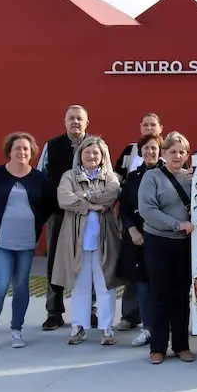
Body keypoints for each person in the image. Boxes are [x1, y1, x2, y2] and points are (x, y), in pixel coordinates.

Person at [0, 132, 54, 355]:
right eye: (18, 148)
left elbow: (48, 205)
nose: (22, 152)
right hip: (0, 241)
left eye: (26, 149)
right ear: (10, 151)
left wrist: (35, 223)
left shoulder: (38, 178)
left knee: (21, 285)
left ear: (32, 153)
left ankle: (16, 330)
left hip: (26, 241)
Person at [36, 105, 103, 331]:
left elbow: (106, 175)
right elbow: (41, 177)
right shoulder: (52, 146)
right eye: (71, 118)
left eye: (80, 119)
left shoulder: (96, 146)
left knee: (90, 260)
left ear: (87, 122)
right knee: (55, 261)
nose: (75, 122)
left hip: (89, 215)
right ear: (65, 122)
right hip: (59, 214)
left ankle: (90, 310)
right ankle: (54, 312)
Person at [52, 136, 123, 345]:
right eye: (87, 152)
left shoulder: (111, 177)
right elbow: (64, 198)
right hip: (77, 241)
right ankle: (78, 326)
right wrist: (91, 205)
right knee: (80, 286)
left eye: (96, 153)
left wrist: (82, 195)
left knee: (105, 285)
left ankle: (107, 327)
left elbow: (111, 196)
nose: (91, 156)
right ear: (80, 155)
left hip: (105, 240)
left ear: (102, 157)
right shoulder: (69, 176)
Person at [138, 131, 196, 364]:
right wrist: (177, 224)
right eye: (172, 151)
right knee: (160, 294)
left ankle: (182, 346)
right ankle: (158, 347)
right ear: (164, 153)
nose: (177, 156)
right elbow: (148, 211)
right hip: (158, 242)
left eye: (182, 152)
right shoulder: (152, 177)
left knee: (182, 295)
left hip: (184, 245)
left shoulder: (191, 178)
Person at [115, 133, 164, 348]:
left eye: (154, 148)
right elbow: (124, 208)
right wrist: (132, 230)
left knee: (163, 284)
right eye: (146, 148)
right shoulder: (133, 177)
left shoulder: (168, 174)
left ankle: (165, 325)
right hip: (139, 240)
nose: (150, 152)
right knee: (142, 284)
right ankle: (147, 328)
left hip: (162, 238)